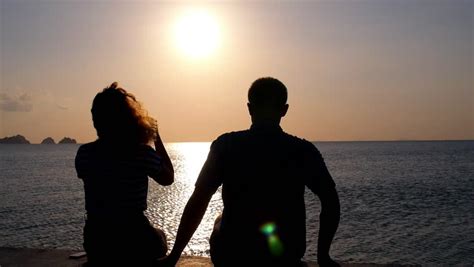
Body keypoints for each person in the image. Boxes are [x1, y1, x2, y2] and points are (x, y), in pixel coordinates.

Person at [158, 77, 340, 267]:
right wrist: (323, 256)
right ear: (284, 110)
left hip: (233, 253)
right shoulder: (303, 150)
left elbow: (199, 200)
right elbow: (331, 201)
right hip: (286, 255)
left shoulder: (225, 146)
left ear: (249, 108)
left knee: (220, 218)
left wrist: (174, 256)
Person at [75, 82, 174, 266]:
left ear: (96, 120)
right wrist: (155, 136)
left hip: (97, 241)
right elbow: (168, 178)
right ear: (129, 119)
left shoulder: (84, 154)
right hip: (134, 239)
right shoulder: (141, 154)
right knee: (160, 236)